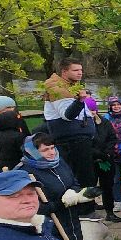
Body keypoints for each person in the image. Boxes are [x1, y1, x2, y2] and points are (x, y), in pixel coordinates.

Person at [18, 130, 91, 240]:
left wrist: (75, 193)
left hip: (72, 220)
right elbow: (32, 206)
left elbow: (73, 181)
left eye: (52, 147)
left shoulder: (59, 162)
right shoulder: (25, 173)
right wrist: (61, 203)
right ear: (33, 152)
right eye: (45, 150)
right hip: (50, 226)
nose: (52, 152)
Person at [42, 58, 96, 206]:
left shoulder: (70, 86)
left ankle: (86, 207)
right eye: (75, 70)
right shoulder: (58, 89)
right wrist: (79, 101)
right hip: (71, 140)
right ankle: (83, 210)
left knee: (87, 176)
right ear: (64, 72)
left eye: (81, 70)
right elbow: (67, 115)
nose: (80, 73)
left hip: (80, 138)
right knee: (81, 177)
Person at [0, 95, 30, 174]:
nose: (11, 109)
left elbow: (27, 135)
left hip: (20, 158)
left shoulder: (18, 119)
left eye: (13, 107)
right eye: (8, 107)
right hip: (3, 158)